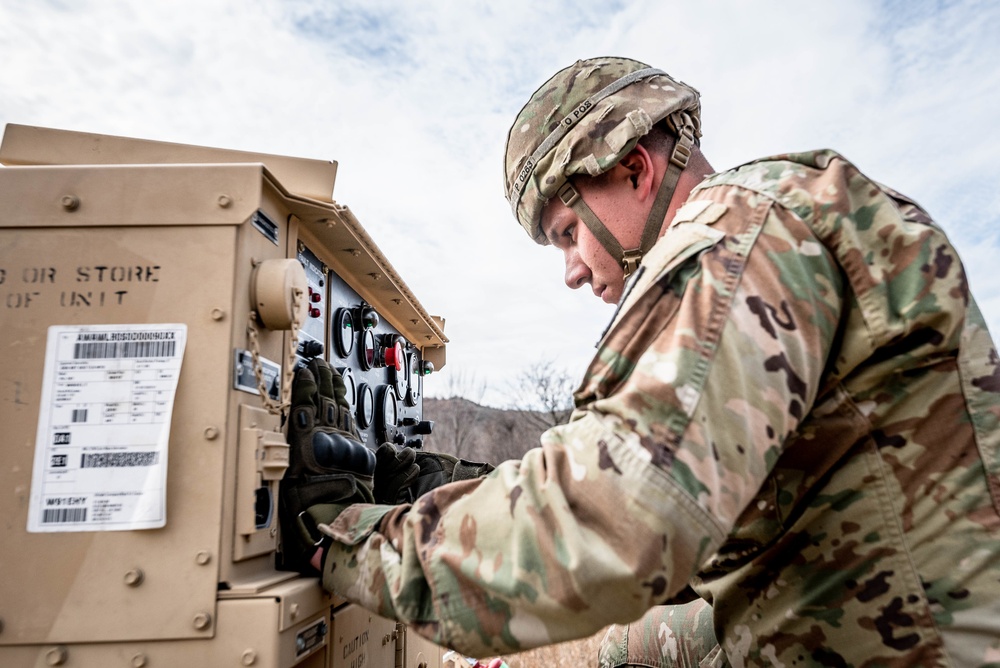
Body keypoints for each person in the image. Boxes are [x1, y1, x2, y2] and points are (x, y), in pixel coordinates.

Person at [303, 57, 1000, 666]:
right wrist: (433, 491)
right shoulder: (784, 219)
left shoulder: (734, 241)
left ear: (636, 169)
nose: (572, 271)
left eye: (568, 234)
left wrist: (349, 540)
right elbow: (702, 537)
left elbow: (613, 523)